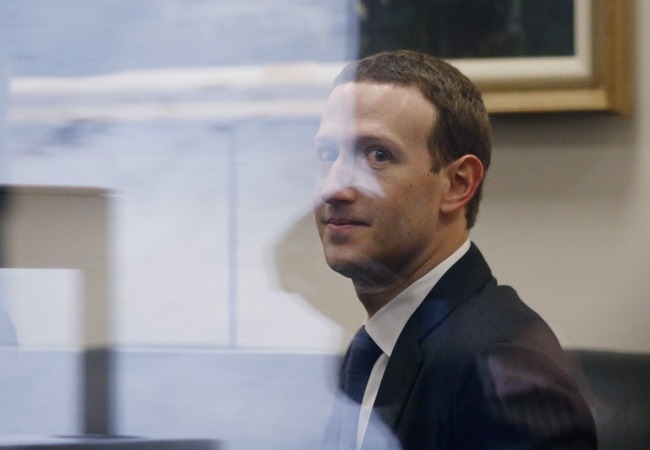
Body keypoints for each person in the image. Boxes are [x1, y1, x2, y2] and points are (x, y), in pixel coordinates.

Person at [313, 50, 596, 449]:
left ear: (459, 183)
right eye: (328, 155)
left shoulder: (502, 367)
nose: (332, 187)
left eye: (377, 154)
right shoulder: (372, 348)